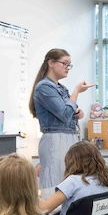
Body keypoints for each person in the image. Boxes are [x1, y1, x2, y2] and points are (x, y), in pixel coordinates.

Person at [29, 48, 94, 189]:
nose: (67, 68)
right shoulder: (44, 87)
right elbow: (64, 114)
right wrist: (76, 91)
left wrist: (78, 113)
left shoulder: (61, 88)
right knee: (55, 182)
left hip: (68, 137)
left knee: (69, 180)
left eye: (69, 64)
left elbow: (68, 112)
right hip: (55, 139)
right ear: (51, 63)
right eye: (64, 63)